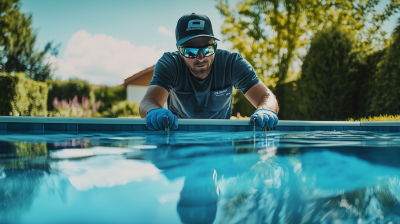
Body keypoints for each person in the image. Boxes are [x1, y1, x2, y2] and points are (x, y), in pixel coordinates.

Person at [139, 13, 279, 130]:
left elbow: (266, 96)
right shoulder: (170, 64)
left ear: (215, 45)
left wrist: (266, 109)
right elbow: (148, 101)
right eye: (190, 51)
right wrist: (154, 110)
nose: (200, 57)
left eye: (208, 49)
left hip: (220, 140)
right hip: (180, 139)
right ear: (178, 50)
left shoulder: (231, 63)